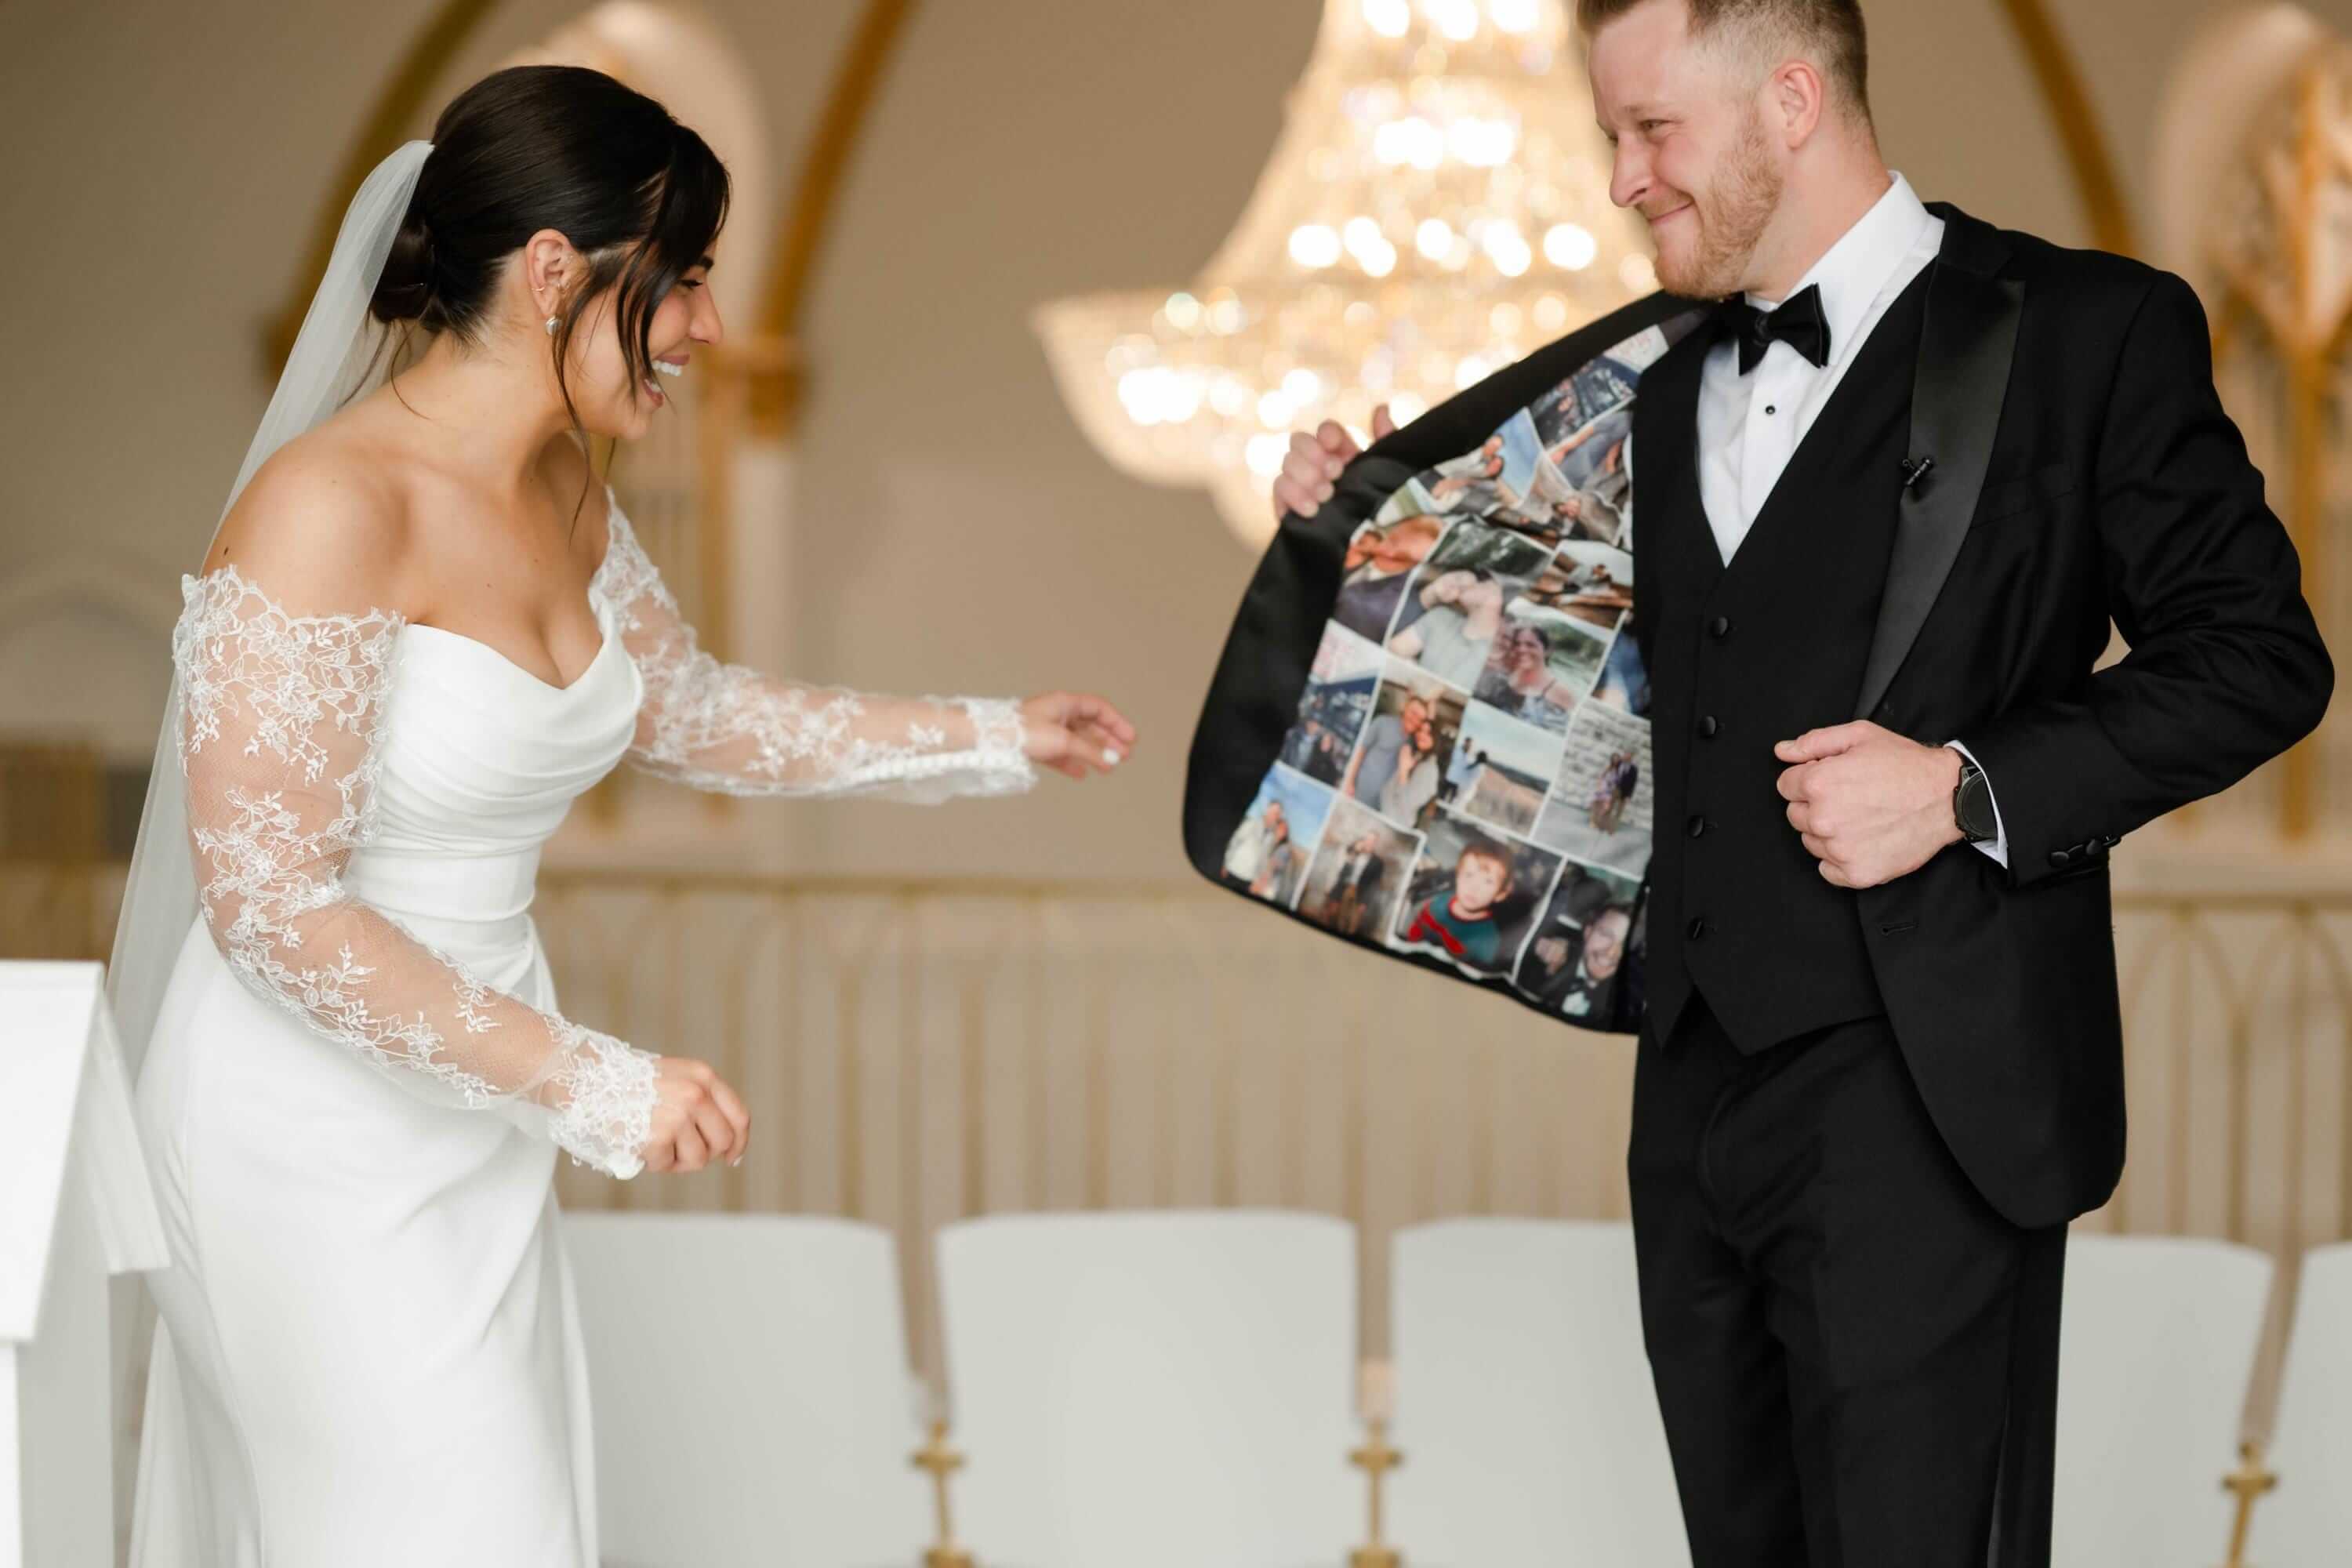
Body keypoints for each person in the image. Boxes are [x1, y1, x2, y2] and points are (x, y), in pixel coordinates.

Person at [1272, 2, 2331, 1560]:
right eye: (1611, 137)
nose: (1624, 179)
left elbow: (2260, 659)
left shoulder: (2086, 331)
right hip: (1692, 1114)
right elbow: (1559, 670)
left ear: (1789, 99)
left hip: (1931, 1102)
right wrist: (1367, 534)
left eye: (1653, 131)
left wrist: (1963, 786)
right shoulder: (1646, 385)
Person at [114, 67, 1136, 1568]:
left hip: (477, 1113)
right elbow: (270, 904)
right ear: (552, 272)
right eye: (687, 276)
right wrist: (590, 1080)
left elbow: (694, 712)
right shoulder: (328, 506)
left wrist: (996, 735)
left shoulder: (572, 496)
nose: (708, 326)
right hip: (300, 1128)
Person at [1399, 841, 1516, 968]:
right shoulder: (1438, 901)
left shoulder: (1488, 941)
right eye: (1469, 875)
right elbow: (1417, 929)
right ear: (1458, 875)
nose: (1474, 887)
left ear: (1501, 894)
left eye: (1488, 882)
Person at [1389, 568, 1508, 688]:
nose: (1471, 584)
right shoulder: (1440, 617)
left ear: (1498, 599)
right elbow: (1394, 651)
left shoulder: (1504, 654)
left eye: (1483, 582)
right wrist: (1419, 679)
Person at [1341, 694, 1428, 806]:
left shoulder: (1413, 742)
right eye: (1414, 713)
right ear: (1405, 707)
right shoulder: (1382, 722)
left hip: (1380, 804)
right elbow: (1360, 751)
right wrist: (1349, 782)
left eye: (1420, 719)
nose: (1415, 720)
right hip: (1357, 792)